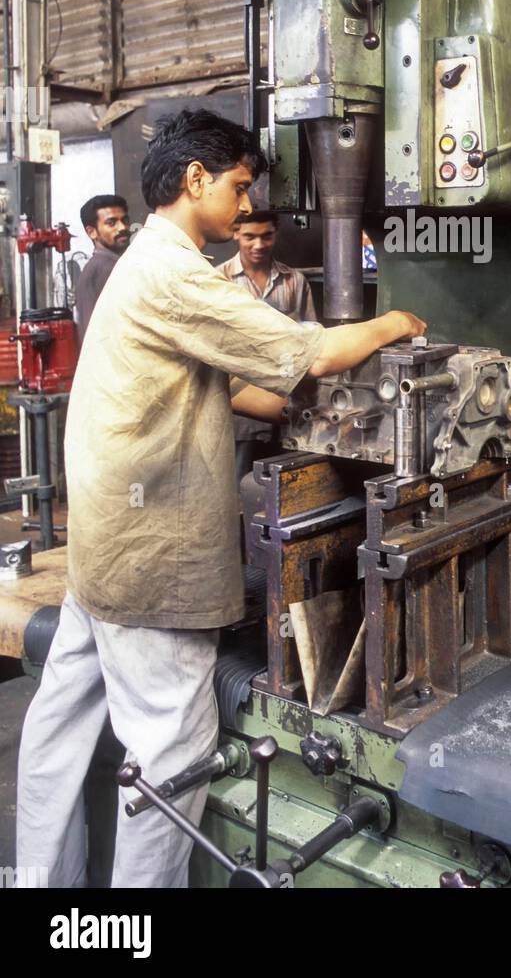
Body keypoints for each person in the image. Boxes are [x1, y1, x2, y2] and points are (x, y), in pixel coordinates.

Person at [16, 108, 426, 888]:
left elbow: (226, 381)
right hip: (150, 563)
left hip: (101, 548)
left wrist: (296, 406)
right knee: (170, 758)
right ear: (195, 179)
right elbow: (313, 350)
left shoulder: (145, 263)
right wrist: (396, 322)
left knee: (58, 734)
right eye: (239, 187)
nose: (246, 208)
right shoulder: (175, 272)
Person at [215, 210, 318, 486]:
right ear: (236, 233)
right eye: (249, 236)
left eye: (266, 236)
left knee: (287, 489)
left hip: (288, 409)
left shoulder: (294, 281)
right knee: (239, 488)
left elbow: (311, 340)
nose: (258, 245)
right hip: (242, 413)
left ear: (276, 234)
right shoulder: (217, 281)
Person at [75, 194, 131, 340]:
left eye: (125, 220)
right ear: (92, 232)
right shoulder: (102, 270)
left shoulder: (115, 265)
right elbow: (94, 335)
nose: (123, 227)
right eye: (111, 223)